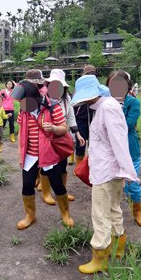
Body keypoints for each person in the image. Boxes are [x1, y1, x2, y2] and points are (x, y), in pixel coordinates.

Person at [71, 75, 139, 274]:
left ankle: (100, 257)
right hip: (111, 169)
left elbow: (119, 140)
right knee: (113, 209)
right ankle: (118, 250)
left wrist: (128, 171)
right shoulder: (104, 106)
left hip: (107, 171)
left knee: (100, 214)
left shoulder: (107, 108)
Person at [11, 77, 74, 230]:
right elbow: (20, 132)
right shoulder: (24, 110)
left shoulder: (53, 107)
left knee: (57, 185)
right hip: (30, 156)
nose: (21, 104)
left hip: (49, 154)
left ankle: (65, 214)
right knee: (27, 185)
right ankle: (30, 216)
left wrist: (53, 128)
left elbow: (64, 128)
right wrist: (20, 152)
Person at [107, 70, 141, 228]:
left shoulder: (133, 103)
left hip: (130, 149)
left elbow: (128, 125)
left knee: (131, 184)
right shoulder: (104, 102)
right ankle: (112, 214)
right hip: (110, 150)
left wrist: (117, 107)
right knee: (110, 183)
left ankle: (138, 211)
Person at [44, 69, 85, 203]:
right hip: (46, 137)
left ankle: (62, 191)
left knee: (62, 164)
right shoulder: (43, 99)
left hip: (61, 135)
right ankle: (46, 193)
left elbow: (71, 117)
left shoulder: (67, 99)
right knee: (47, 165)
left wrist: (77, 133)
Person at [73, 65, 97, 166]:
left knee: (94, 144)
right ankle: (79, 167)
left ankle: (92, 165)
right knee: (80, 144)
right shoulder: (79, 86)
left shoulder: (96, 85)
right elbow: (74, 104)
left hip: (94, 120)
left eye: (92, 73)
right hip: (81, 120)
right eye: (89, 73)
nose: (91, 75)